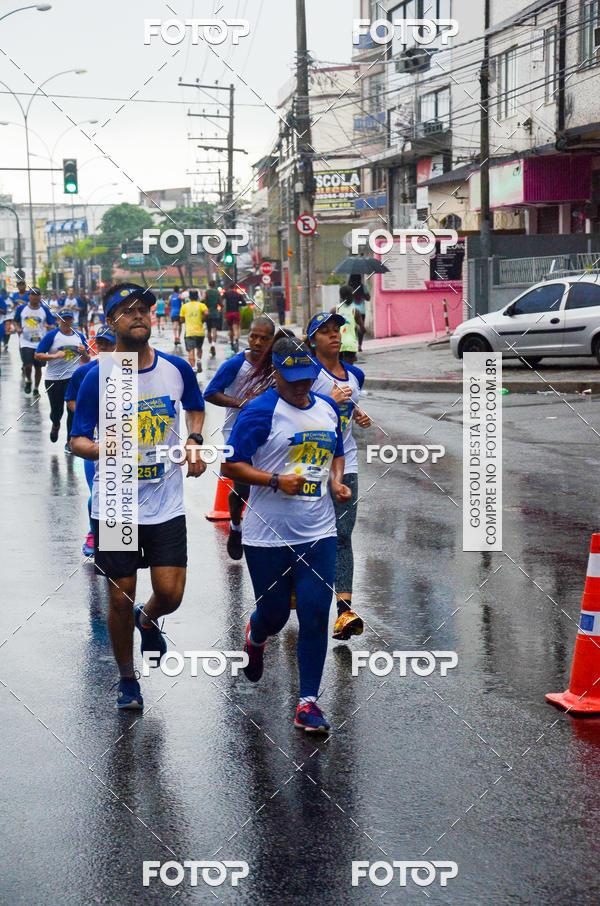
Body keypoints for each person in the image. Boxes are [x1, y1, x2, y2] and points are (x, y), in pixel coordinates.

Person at [70, 282, 207, 709]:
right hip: (116, 503)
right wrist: (105, 446)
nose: (139, 316)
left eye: (144, 309)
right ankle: (127, 678)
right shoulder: (98, 376)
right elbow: (77, 441)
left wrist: (195, 440)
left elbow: (195, 406)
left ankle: (148, 620)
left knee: (171, 593)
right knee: (118, 594)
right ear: (112, 322)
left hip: (165, 501)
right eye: (127, 311)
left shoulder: (176, 369)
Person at [222, 335, 351, 733]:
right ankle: (256, 635)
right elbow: (231, 467)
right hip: (268, 535)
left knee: (315, 614)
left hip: (318, 532)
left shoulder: (327, 408)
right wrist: (276, 480)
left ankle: (308, 702)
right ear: (275, 372)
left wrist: (337, 481)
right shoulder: (260, 412)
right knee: (275, 615)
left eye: (306, 377)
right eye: (291, 377)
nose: (300, 385)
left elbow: (338, 449)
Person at [307, 311, 372, 640]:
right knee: (308, 535)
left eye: (337, 330)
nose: (334, 336)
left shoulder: (355, 374)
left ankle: (344, 611)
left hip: (346, 464)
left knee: (343, 534)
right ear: (313, 340)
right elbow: (297, 410)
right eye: (325, 332)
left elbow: (349, 407)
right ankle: (295, 585)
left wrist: (358, 413)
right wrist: (325, 401)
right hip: (308, 465)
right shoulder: (306, 374)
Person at [204, 315, 275, 559]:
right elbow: (210, 393)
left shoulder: (275, 363)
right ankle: (236, 527)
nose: (257, 342)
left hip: (267, 434)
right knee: (242, 488)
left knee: (269, 483)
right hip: (235, 433)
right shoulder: (235, 364)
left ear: (271, 341)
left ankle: (266, 536)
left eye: (264, 339)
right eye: (253, 336)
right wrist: (242, 403)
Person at [65, 326, 116, 556]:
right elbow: (71, 402)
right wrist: (91, 414)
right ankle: (94, 533)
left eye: (109, 344)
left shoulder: (134, 371)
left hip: (129, 447)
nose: (103, 348)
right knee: (97, 492)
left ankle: (118, 541)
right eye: (101, 343)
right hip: (95, 443)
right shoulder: (84, 372)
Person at [35, 306, 90, 450]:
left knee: (72, 410)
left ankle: (69, 442)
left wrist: (84, 353)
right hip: (54, 378)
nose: (66, 322)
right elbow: (38, 354)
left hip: (73, 378)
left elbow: (87, 359)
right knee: (57, 410)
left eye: (69, 319)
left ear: (73, 320)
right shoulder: (51, 336)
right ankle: (55, 424)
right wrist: (54, 356)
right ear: (58, 320)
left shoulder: (79, 337)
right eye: (63, 319)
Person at [14, 287, 55, 395]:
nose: (35, 297)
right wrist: (17, 329)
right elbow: (16, 321)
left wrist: (49, 327)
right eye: (33, 294)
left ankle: (36, 388)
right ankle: (28, 380)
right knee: (28, 365)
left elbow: (52, 324)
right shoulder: (21, 308)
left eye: (38, 295)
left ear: (40, 297)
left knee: (38, 368)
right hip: (25, 342)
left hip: (40, 343)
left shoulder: (45, 310)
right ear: (29, 296)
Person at [180, 289, 208, 373]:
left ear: (189, 297)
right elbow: (206, 313)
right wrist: (203, 320)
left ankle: (193, 368)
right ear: (197, 296)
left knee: (191, 350)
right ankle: (199, 360)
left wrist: (187, 319)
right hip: (200, 332)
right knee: (199, 348)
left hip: (189, 332)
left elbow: (181, 320)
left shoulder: (184, 306)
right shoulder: (201, 305)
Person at [337, 284, 359, 364]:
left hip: (337, 344)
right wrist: (360, 345)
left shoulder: (335, 310)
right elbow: (362, 330)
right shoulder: (355, 311)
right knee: (349, 370)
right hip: (350, 345)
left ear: (340, 296)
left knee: (338, 368)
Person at [348, 274, 369, 352]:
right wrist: (363, 295)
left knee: (351, 329)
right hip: (361, 311)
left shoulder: (348, 288)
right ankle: (359, 345)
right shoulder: (362, 287)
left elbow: (344, 300)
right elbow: (368, 298)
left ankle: (352, 345)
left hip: (351, 311)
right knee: (361, 328)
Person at [223, 281, 242, 352]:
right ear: (234, 287)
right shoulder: (238, 295)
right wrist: (238, 304)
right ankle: (236, 341)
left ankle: (231, 343)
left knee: (230, 329)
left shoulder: (226, 294)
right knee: (236, 328)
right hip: (236, 312)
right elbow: (243, 303)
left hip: (229, 313)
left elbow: (221, 300)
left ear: (229, 287)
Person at [203, 281, 221, 357]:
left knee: (209, 330)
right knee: (214, 329)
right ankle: (213, 344)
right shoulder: (217, 293)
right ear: (215, 285)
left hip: (208, 314)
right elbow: (220, 303)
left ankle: (211, 344)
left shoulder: (206, 292)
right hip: (215, 313)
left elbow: (203, 300)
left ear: (209, 285)